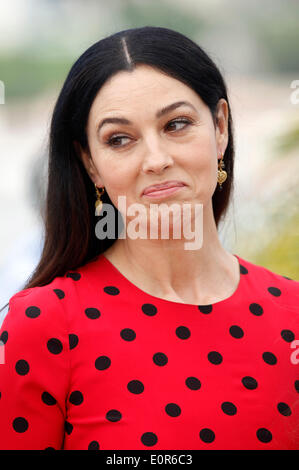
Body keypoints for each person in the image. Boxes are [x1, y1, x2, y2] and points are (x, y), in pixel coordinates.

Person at [0, 26, 298, 451]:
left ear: (220, 128)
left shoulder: (293, 316)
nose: (156, 160)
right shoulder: (46, 325)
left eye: (177, 124)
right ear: (91, 164)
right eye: (119, 139)